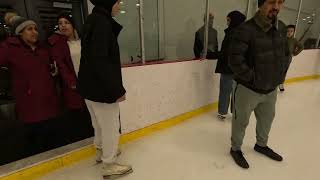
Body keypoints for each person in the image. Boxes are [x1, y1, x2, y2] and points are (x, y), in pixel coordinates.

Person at [229, 0, 290, 169]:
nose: (276, 7)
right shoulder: (245, 29)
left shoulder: (281, 28)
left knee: (267, 120)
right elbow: (234, 60)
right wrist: (254, 79)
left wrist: (279, 77)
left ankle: (261, 145)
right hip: (248, 89)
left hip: (271, 90)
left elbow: (286, 55)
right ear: (261, 4)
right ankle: (236, 149)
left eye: (280, 2)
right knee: (241, 121)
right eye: (271, 2)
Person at [78, 0, 133, 179]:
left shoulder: (92, 20)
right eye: (117, 2)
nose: (119, 6)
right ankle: (109, 165)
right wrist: (116, 89)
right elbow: (101, 61)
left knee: (98, 124)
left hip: (89, 87)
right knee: (110, 126)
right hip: (101, 89)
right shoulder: (102, 23)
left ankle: (101, 153)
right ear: (108, 2)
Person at [0, 16, 60, 155]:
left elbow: (51, 66)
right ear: (20, 32)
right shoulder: (9, 48)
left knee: (52, 142)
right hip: (29, 106)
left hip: (48, 102)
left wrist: (53, 71)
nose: (34, 32)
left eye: (35, 29)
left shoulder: (43, 49)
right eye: (29, 29)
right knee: (35, 145)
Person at [48, 12, 93, 145]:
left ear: (73, 26)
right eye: (60, 23)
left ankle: (94, 139)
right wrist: (71, 83)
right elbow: (61, 65)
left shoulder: (82, 40)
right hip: (73, 85)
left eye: (66, 22)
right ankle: (80, 142)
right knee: (77, 113)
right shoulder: (59, 44)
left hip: (89, 82)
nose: (63, 26)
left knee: (92, 112)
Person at [215, 11, 246, 120]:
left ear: (235, 20)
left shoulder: (232, 33)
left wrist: (211, 54)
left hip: (228, 68)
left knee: (225, 90)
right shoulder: (241, 33)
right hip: (237, 68)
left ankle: (222, 112)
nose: (227, 22)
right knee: (236, 92)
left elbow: (226, 52)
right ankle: (235, 112)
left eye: (229, 20)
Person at [279, 24, 304, 91]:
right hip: (279, 58)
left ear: (293, 32)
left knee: (284, 72)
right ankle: (274, 83)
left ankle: (281, 83)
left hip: (287, 59)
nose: (289, 33)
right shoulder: (281, 38)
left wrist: (294, 53)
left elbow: (301, 47)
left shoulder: (294, 40)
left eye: (291, 31)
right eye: (288, 31)